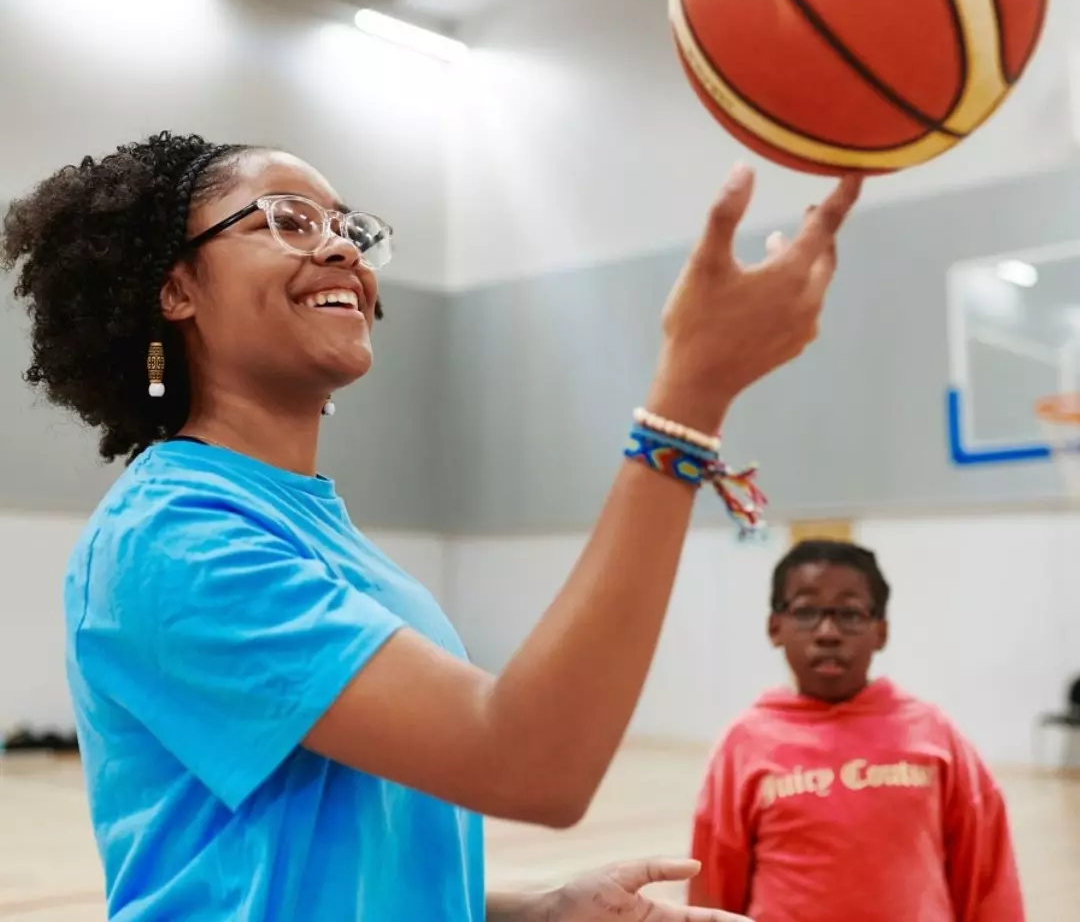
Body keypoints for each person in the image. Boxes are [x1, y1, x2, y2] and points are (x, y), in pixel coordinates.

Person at [0, 131, 859, 921]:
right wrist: (688, 398)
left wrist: (535, 909)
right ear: (176, 287)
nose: (339, 247)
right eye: (288, 220)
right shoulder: (174, 539)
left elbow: (337, 859)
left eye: (348, 228)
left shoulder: (304, 520)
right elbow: (533, 764)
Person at [688, 538, 1024, 922]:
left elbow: (986, 875)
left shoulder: (933, 735)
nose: (828, 632)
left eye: (849, 614)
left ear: (880, 631)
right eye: (806, 611)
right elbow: (713, 887)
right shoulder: (744, 743)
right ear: (775, 627)